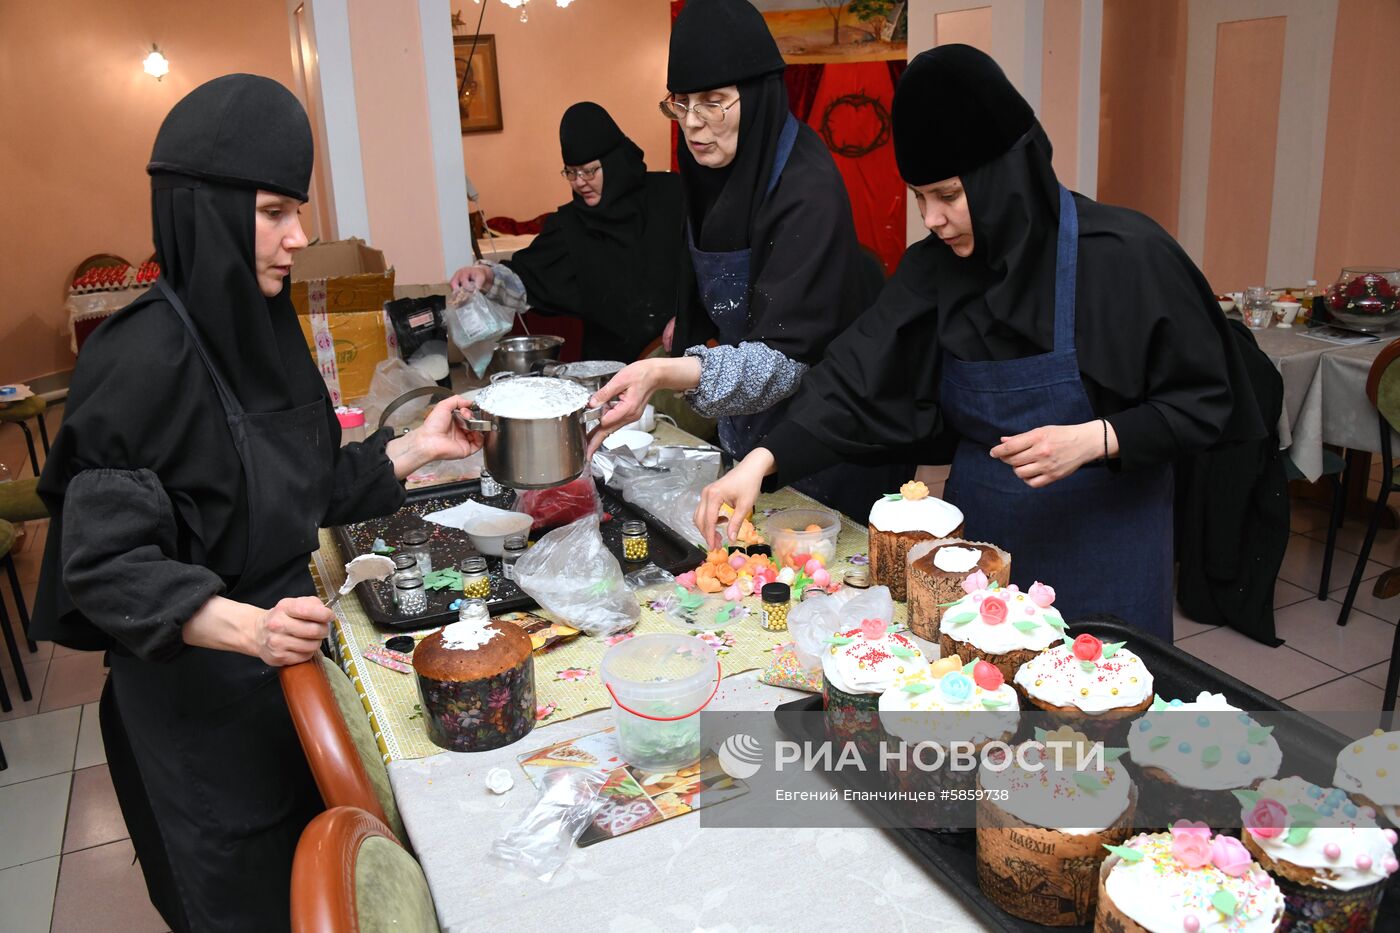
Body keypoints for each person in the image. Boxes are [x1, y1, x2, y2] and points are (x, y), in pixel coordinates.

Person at [31, 75, 482, 932]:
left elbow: (307, 487)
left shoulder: (267, 331)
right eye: (276, 211)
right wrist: (250, 626)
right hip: (199, 703)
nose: (299, 236)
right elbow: (108, 566)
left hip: (285, 669)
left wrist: (422, 443)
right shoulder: (137, 361)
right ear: (205, 209)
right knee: (246, 897)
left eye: (298, 211)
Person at [695, 45, 1264, 640]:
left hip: (1107, 554)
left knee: (1095, 724)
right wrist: (761, 462)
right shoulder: (935, 271)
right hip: (983, 560)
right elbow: (853, 379)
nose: (932, 220)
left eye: (947, 196)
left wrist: (1098, 437)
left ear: (1005, 176)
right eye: (919, 198)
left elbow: (1207, 402)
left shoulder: (1127, 256)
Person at [585, 0, 905, 522]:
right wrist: (683, 335)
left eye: (714, 102)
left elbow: (785, 361)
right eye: (681, 103)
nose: (693, 124)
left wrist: (666, 372)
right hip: (752, 423)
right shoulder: (714, 165)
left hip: (826, 436)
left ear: (756, 97)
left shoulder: (807, 189)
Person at [449, 102, 686, 363]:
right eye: (571, 172)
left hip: (681, 359)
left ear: (615, 161)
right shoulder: (570, 225)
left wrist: (690, 314)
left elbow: (716, 268)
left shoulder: (673, 197)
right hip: (611, 370)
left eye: (589, 170)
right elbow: (528, 279)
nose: (580, 182)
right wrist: (485, 275)